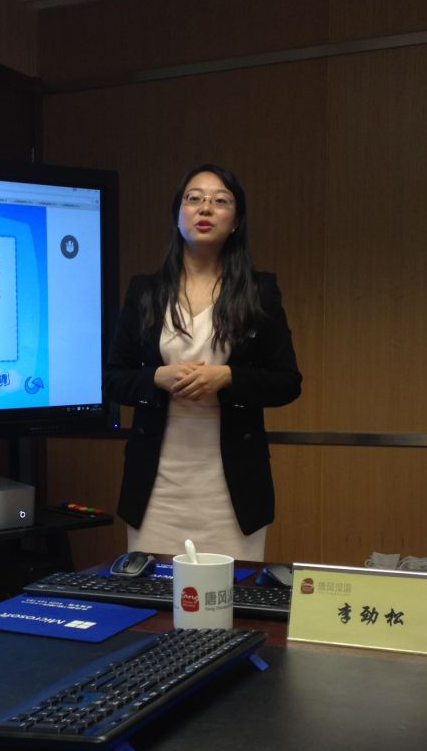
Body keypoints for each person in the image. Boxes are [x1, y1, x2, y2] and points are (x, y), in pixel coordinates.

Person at [104, 163, 302, 559]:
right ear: (178, 215)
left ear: (236, 220)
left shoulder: (259, 291)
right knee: (153, 591)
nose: (205, 208)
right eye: (193, 199)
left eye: (220, 201)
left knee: (231, 590)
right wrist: (157, 377)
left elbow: (287, 382)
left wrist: (228, 377)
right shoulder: (144, 291)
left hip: (231, 488)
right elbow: (113, 379)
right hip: (158, 485)